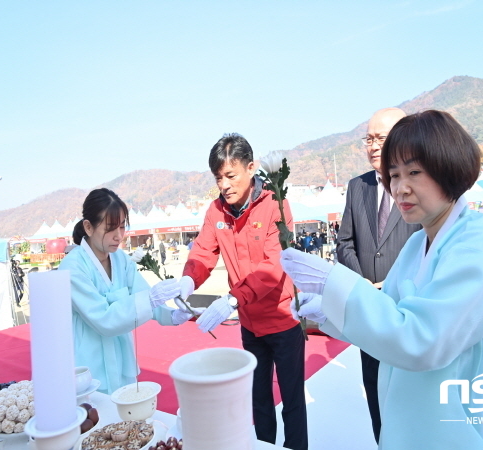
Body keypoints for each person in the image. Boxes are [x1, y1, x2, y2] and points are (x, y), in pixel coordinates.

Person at [281, 110, 483, 449]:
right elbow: (390, 313)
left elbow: (422, 339)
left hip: (480, 426)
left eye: (414, 172)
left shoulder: (481, 247)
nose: (400, 188)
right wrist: (331, 314)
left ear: (448, 168)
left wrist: (336, 285)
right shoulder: (419, 242)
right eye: (394, 175)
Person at [179, 133, 308, 450]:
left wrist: (233, 297)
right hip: (250, 325)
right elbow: (203, 253)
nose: (224, 184)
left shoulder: (276, 204)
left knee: (292, 400)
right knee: (258, 400)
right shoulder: (216, 212)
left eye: (231, 175)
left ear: (251, 168)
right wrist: (186, 281)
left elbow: (274, 265)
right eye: (218, 177)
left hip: (283, 320)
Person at [59, 188, 202, 394]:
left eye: (122, 227)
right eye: (110, 228)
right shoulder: (73, 267)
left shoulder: (120, 259)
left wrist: (173, 315)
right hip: (90, 360)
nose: (118, 236)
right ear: (88, 227)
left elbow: (142, 296)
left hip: (120, 356)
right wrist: (150, 299)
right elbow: (104, 319)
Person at [335, 107, 421, 443]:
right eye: (367, 139)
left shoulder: (419, 186)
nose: (372, 146)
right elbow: (344, 243)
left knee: (409, 397)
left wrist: (394, 282)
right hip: (368, 310)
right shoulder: (357, 187)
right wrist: (362, 285)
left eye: (379, 138)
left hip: (407, 311)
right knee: (376, 397)